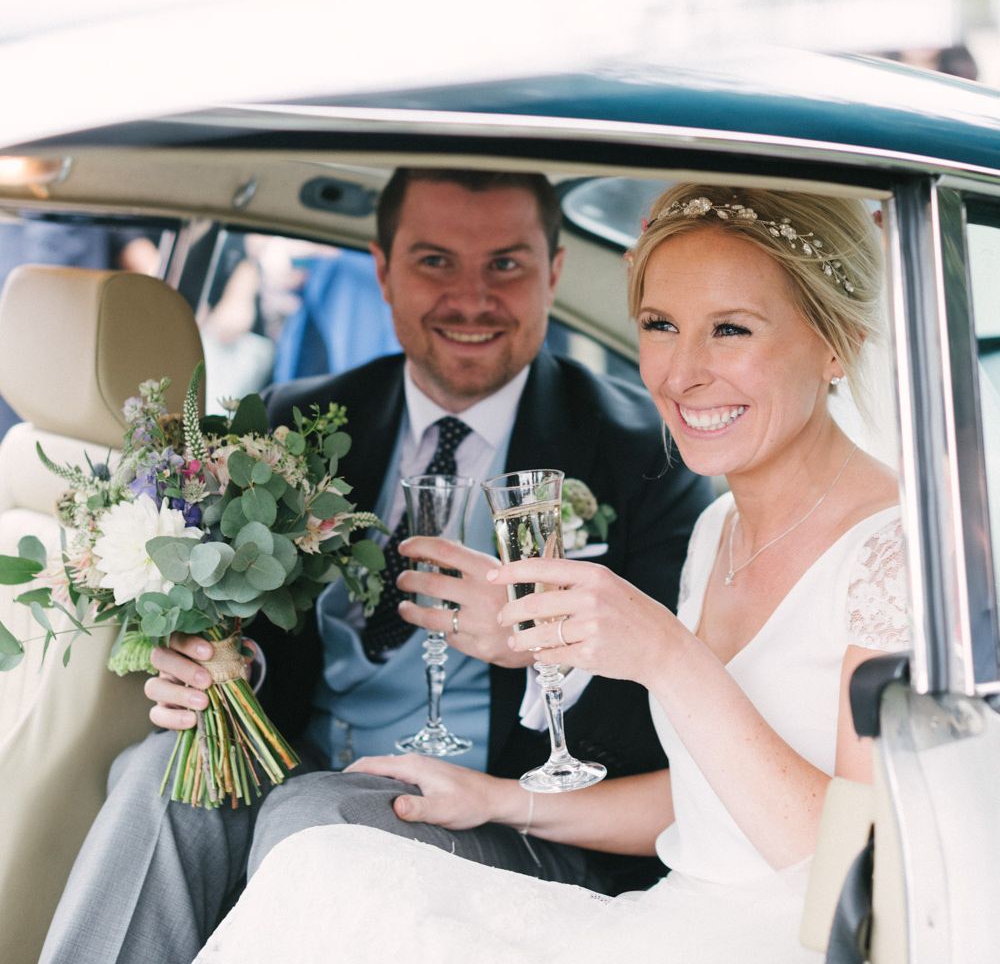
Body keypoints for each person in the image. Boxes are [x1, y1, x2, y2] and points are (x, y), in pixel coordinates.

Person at [193, 183, 910, 964]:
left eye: (730, 329)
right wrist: (500, 800)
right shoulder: (720, 528)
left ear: (836, 341)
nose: (681, 373)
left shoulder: (897, 550)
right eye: (660, 326)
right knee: (327, 868)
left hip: (788, 940)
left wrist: (670, 658)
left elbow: (866, 874)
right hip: (669, 911)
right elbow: (711, 802)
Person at [39, 169, 711, 964]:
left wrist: (541, 643)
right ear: (383, 272)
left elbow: (675, 711)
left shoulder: (647, 458)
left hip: (505, 816)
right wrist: (223, 662)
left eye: (505, 264)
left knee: (317, 817)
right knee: (165, 771)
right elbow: (259, 636)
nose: (471, 298)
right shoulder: (293, 420)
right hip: (307, 762)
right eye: (435, 262)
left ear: (553, 273)